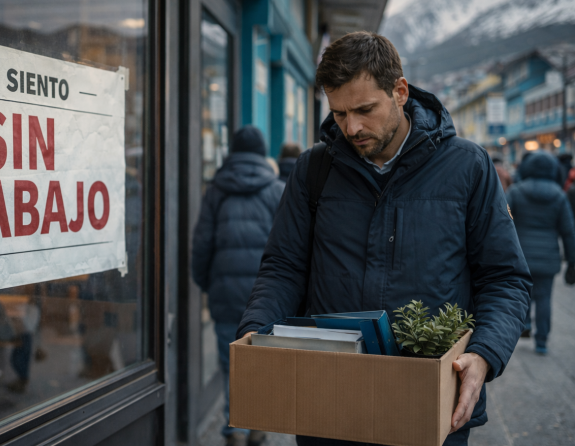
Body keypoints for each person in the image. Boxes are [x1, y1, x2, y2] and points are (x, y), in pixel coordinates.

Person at [237, 32, 531, 446]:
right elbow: (283, 269)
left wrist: (485, 354)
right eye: (339, 113)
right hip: (328, 398)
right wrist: (255, 335)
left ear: (400, 92)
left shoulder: (468, 167)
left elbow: (505, 278)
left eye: (364, 109)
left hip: (428, 401)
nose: (351, 127)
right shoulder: (313, 170)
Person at [192, 125, 285, 446]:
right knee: (264, 361)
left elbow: (201, 244)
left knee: (230, 361)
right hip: (267, 297)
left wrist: (206, 283)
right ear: (261, 154)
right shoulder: (276, 190)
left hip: (226, 292)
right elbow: (289, 249)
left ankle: (234, 428)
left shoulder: (216, 190)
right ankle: (257, 426)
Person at [506, 151, 575, 354]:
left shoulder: (516, 191)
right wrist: (572, 260)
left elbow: (503, 221)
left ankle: (525, 324)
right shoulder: (559, 195)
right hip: (548, 257)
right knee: (544, 298)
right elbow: (568, 231)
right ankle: (542, 341)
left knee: (523, 293)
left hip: (521, 255)